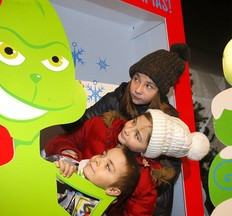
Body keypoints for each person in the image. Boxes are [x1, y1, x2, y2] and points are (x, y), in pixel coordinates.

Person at [59, 43, 191, 215]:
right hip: (92, 186)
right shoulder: (115, 99)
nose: (137, 89)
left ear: (160, 92)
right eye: (136, 79)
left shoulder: (167, 122)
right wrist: (69, 106)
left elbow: (167, 174)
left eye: (149, 85)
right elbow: (79, 127)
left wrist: (130, 177)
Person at [45, 109, 210, 215]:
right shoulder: (101, 125)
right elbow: (62, 141)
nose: (128, 129)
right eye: (134, 121)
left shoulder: (144, 183)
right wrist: (68, 158)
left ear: (146, 151)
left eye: (137, 136)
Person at [47, 147, 141, 216]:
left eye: (108, 166)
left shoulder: (95, 211)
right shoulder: (67, 164)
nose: (98, 160)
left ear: (112, 190)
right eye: (103, 154)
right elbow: (35, 168)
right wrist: (51, 171)